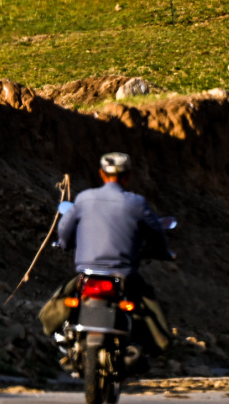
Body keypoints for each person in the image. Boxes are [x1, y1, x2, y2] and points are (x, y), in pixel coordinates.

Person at [54, 151, 173, 368]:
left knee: (60, 299)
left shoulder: (84, 198)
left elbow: (64, 230)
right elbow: (156, 233)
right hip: (124, 274)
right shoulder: (137, 203)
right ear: (128, 176)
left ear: (101, 173)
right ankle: (155, 346)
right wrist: (165, 253)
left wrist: (63, 244)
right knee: (149, 307)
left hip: (88, 273)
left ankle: (61, 337)